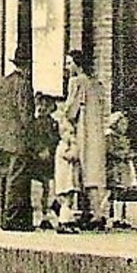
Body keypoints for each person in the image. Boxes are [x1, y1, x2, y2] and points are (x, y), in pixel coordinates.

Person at [0, 46, 35, 232]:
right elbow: (25, 114)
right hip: (17, 140)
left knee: (5, 179)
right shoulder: (23, 84)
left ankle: (4, 218)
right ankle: (14, 220)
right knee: (17, 180)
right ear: (27, 66)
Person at [63, 48, 111, 231]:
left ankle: (87, 213)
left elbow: (70, 111)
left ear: (77, 64)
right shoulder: (97, 84)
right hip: (97, 133)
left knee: (81, 171)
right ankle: (96, 213)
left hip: (83, 132)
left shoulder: (77, 82)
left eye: (69, 63)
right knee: (94, 171)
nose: (67, 67)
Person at [51, 88, 85, 233]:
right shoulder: (63, 147)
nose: (71, 135)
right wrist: (75, 149)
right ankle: (63, 222)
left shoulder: (67, 145)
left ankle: (66, 218)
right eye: (68, 132)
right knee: (67, 199)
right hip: (66, 178)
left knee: (69, 199)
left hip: (70, 177)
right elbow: (70, 156)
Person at [28, 93, 62, 230]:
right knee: (42, 187)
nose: (43, 108)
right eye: (41, 105)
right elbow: (33, 139)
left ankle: (48, 213)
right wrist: (40, 149)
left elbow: (56, 138)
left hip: (51, 158)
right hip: (40, 158)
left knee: (50, 187)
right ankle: (43, 214)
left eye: (46, 106)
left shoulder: (53, 123)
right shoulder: (35, 124)